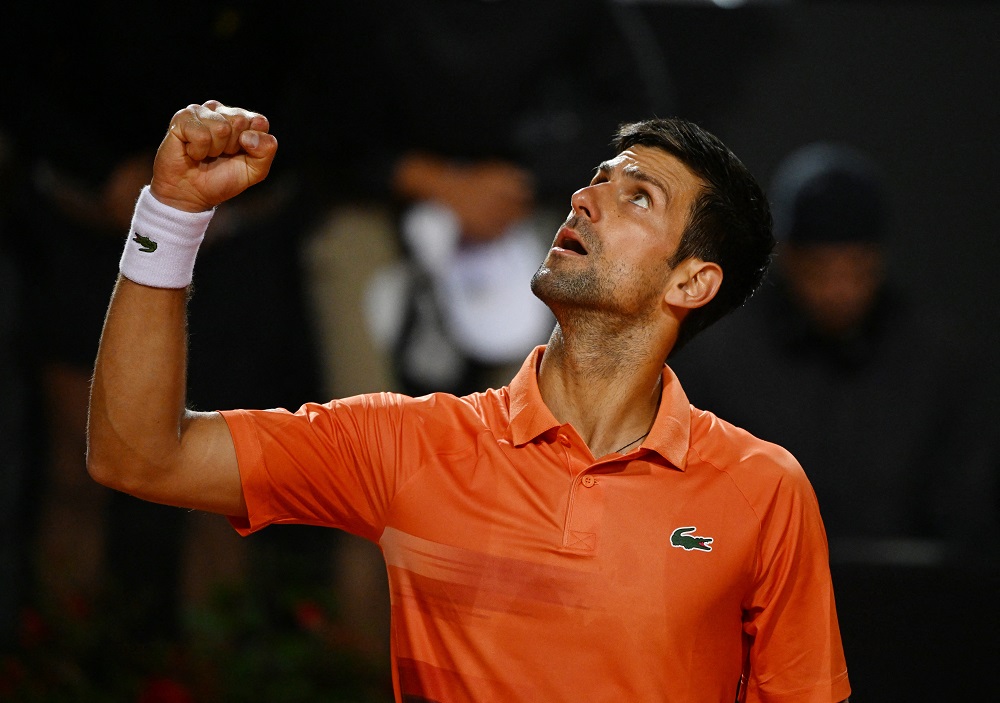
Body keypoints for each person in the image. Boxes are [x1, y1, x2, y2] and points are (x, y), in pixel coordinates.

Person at [87, 101, 851, 703]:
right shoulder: (408, 444)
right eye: (598, 179)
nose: (586, 198)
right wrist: (171, 212)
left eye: (638, 196)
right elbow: (139, 454)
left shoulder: (764, 490)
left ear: (691, 282)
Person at [668, 141, 998, 566]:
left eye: (857, 269)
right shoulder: (716, 360)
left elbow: (965, 514)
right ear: (787, 259)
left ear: (880, 259)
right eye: (821, 270)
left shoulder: (941, 361)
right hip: (755, 597)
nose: (840, 290)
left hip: (910, 607)